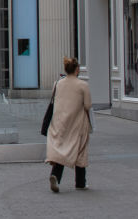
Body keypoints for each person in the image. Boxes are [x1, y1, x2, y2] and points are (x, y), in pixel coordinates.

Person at [46, 56, 93, 192]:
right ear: (77, 69)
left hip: (60, 122)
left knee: (62, 150)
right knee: (80, 150)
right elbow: (88, 105)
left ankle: (55, 175)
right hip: (77, 123)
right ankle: (80, 182)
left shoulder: (58, 84)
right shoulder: (83, 85)